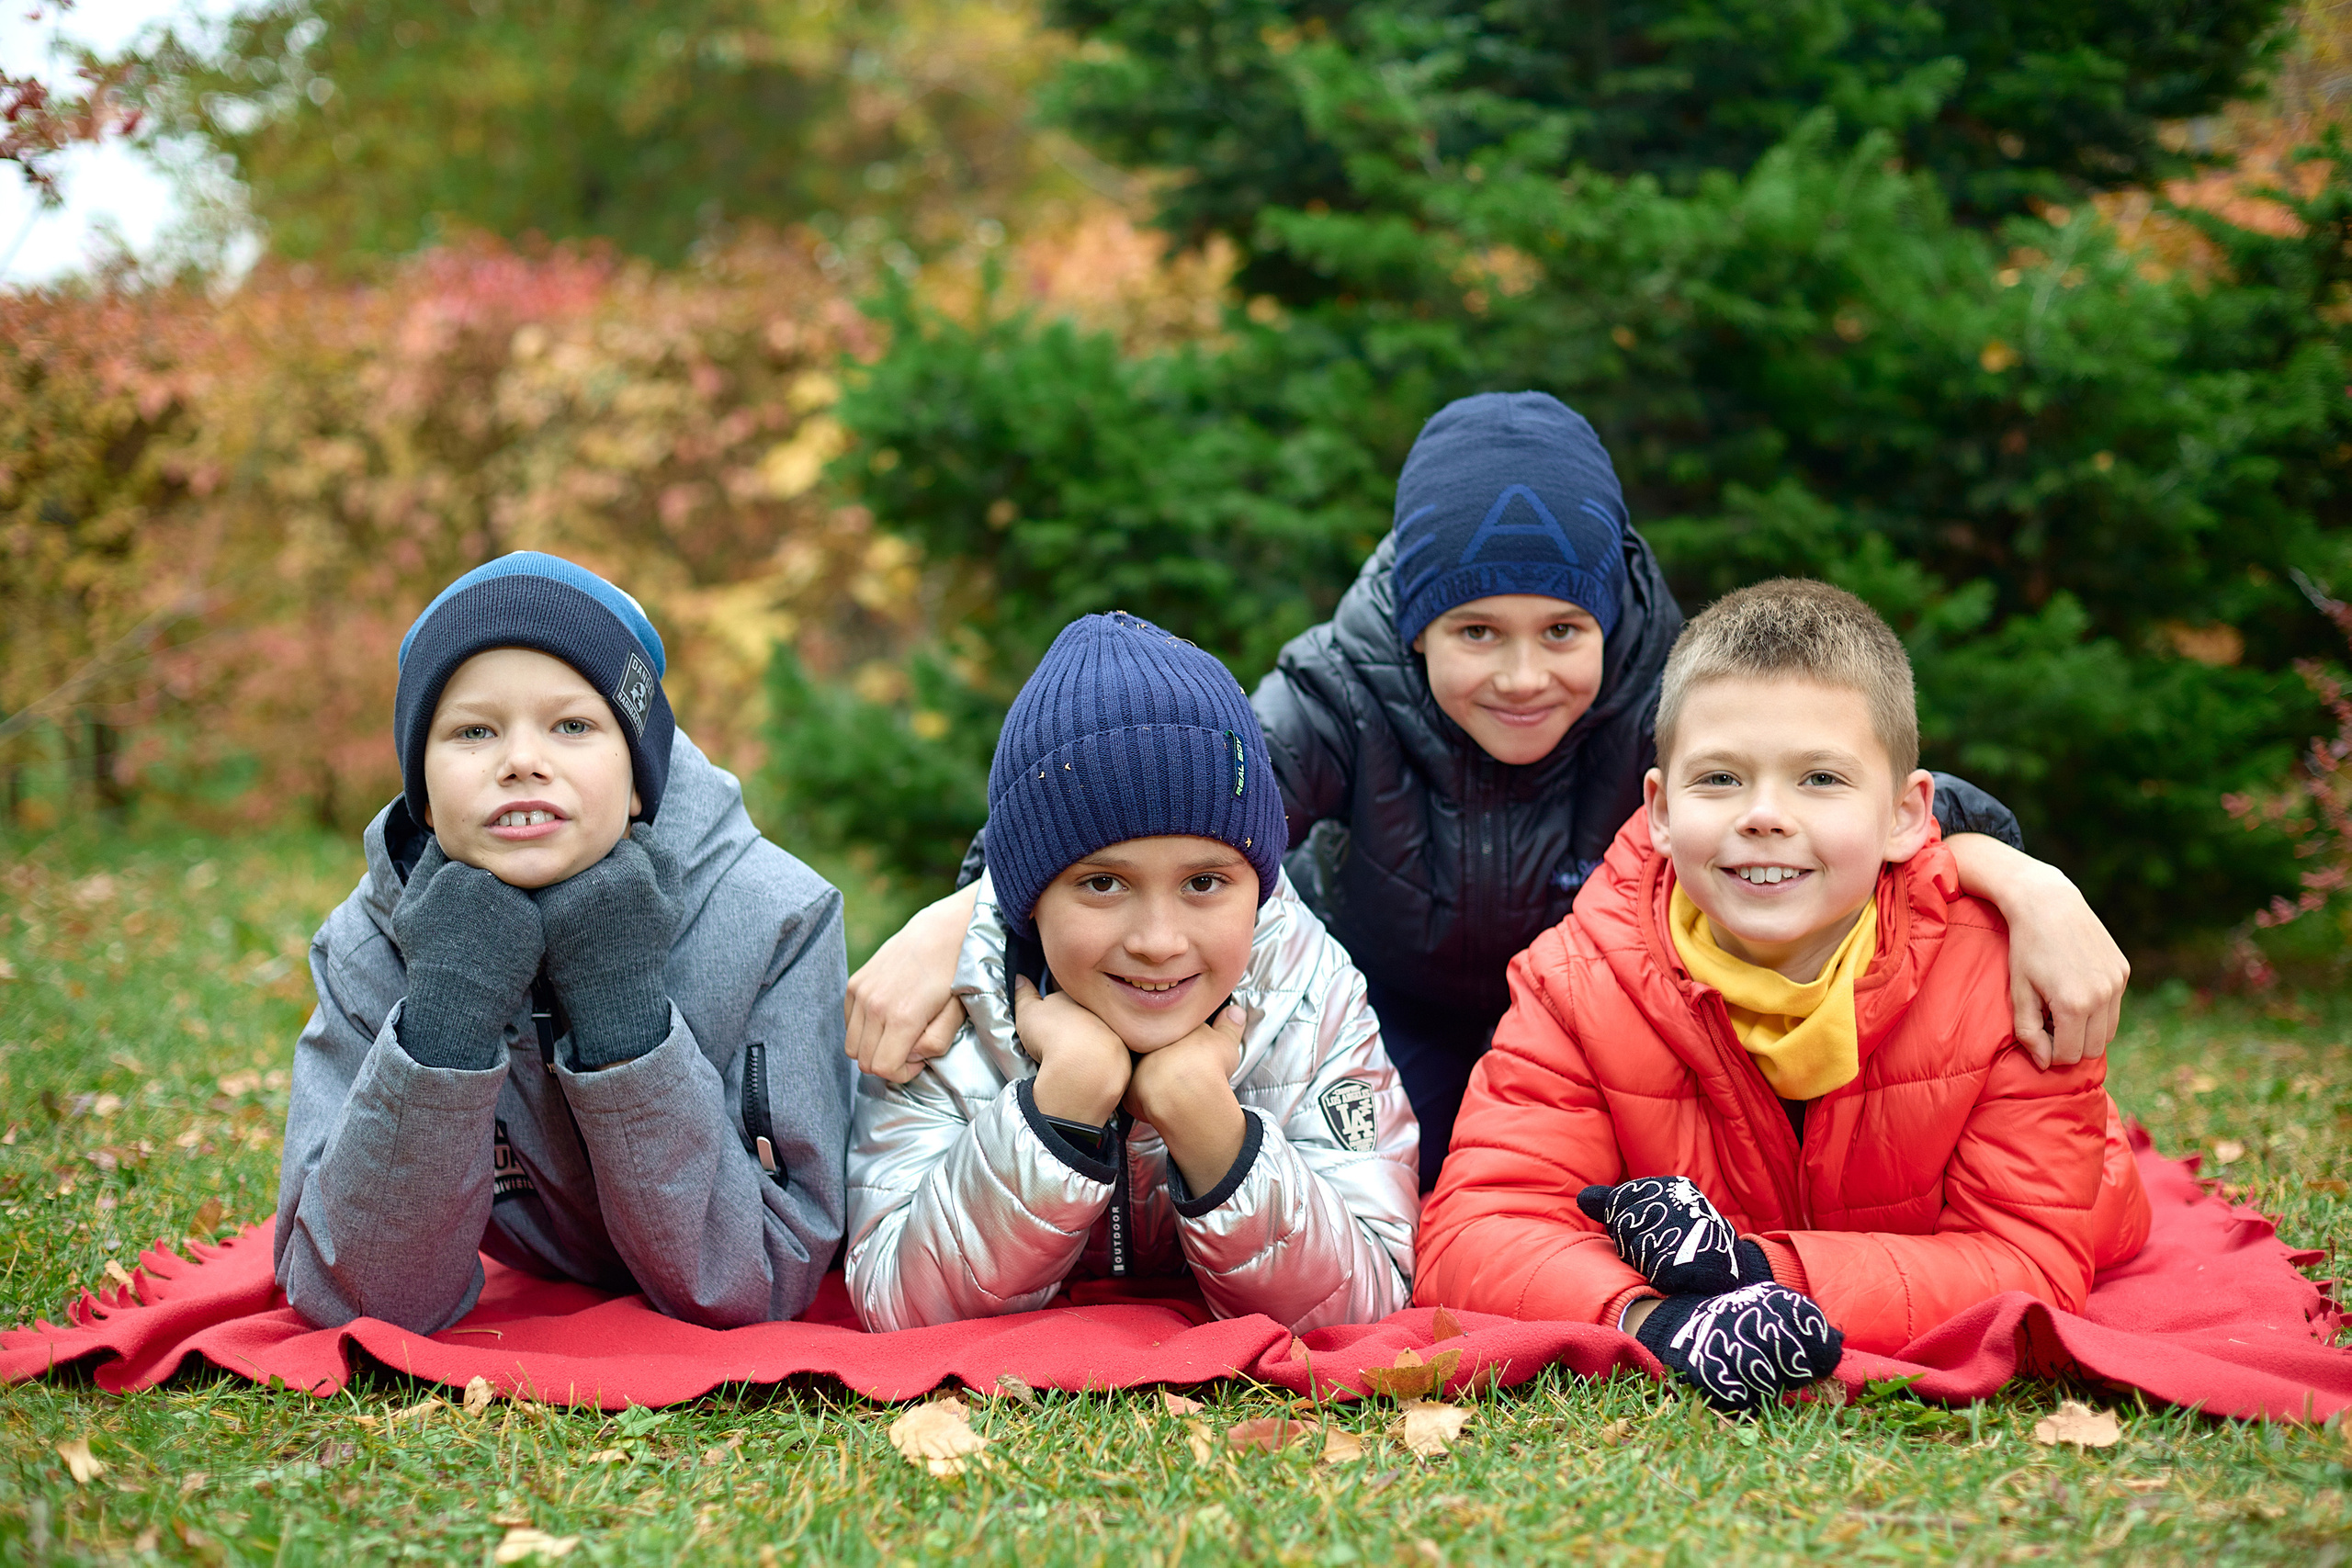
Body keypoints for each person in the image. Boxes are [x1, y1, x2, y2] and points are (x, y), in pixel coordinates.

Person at [842, 392, 2132, 1190]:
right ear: (1414, 622)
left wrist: (2033, 876)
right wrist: (943, 920)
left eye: (1558, 629)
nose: (1522, 676)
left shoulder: (1664, 696)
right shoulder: (1340, 688)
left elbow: (1883, 801)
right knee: (1427, 1188)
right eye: (1475, 632)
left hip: (1608, 1027)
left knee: (1616, 1184)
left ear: (1609, 616)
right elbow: (1116, 797)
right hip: (1398, 1014)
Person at [1413, 580, 2151, 1412]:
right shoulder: (1574, 978)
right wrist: (1660, 1321)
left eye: (1820, 779)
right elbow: (1472, 1231)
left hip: (2091, 1203)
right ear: (1658, 810)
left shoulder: (2004, 973)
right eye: (1721, 777)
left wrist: (1751, 1271)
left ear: (1908, 815)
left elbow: (2033, 1263)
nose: (1765, 814)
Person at [275, 553, 853, 1334]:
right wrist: (447, 1008)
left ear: (640, 768)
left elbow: (764, 1277)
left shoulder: (779, 918)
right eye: (473, 730)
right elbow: (352, 1299)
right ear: (422, 779)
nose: (521, 760)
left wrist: (623, 1007)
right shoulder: (366, 943)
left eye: (573, 725)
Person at [845, 611, 1418, 1332]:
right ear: (1030, 894)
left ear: (1260, 885)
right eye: (1103, 884)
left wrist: (1211, 1128)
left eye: (1205, 883)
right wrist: (1061, 1105)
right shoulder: (953, 1010)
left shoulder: (1310, 993)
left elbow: (1368, 1299)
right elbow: (898, 1302)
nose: (1157, 940)